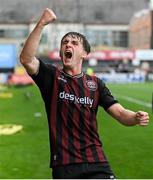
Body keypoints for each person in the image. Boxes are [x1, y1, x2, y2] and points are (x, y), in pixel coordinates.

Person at [20, 8, 149, 179]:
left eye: (74, 43)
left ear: (84, 53)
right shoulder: (51, 77)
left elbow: (119, 113)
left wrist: (135, 118)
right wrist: (41, 24)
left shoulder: (95, 84)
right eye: (65, 42)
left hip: (97, 161)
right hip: (65, 165)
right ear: (60, 52)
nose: (68, 44)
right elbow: (27, 59)